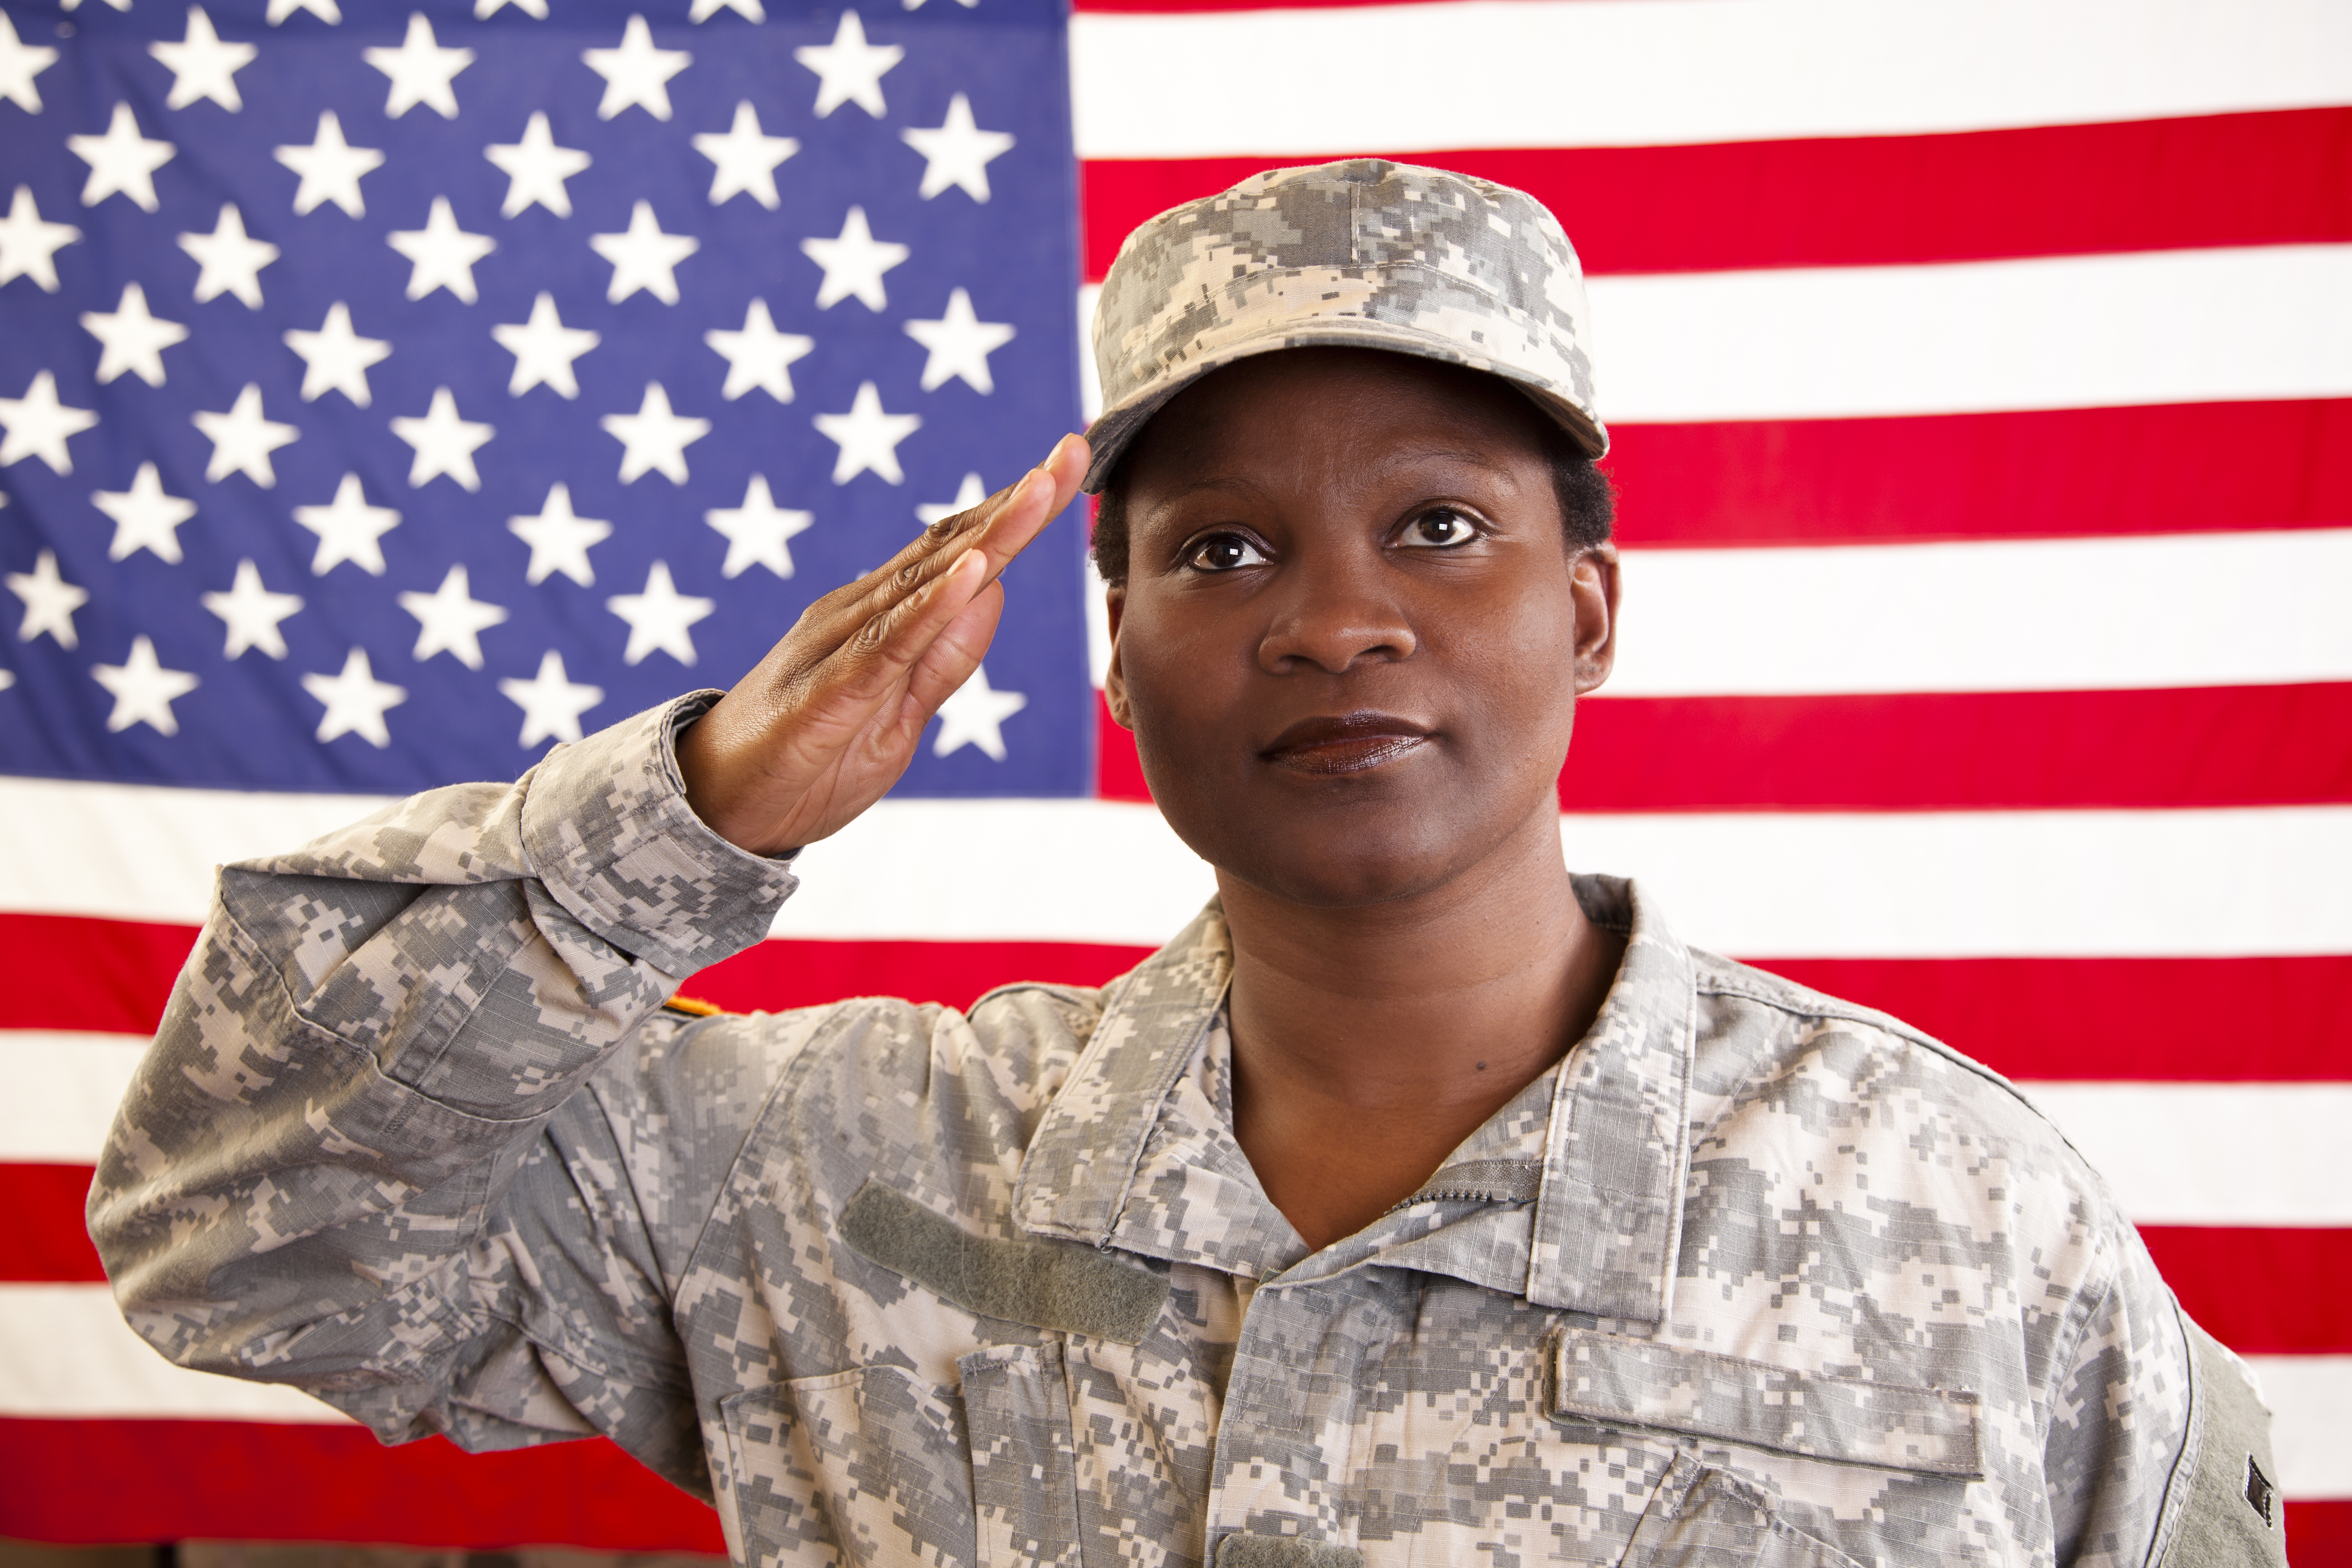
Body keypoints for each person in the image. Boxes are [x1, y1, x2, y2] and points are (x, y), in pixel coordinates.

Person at [90, 161, 2279, 1568]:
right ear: (1113, 653)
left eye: (1439, 523)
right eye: (1224, 548)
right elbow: (236, 1243)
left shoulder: (1958, 1212)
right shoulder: (842, 1171)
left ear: (1589, 611)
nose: (1337, 619)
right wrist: (694, 813)